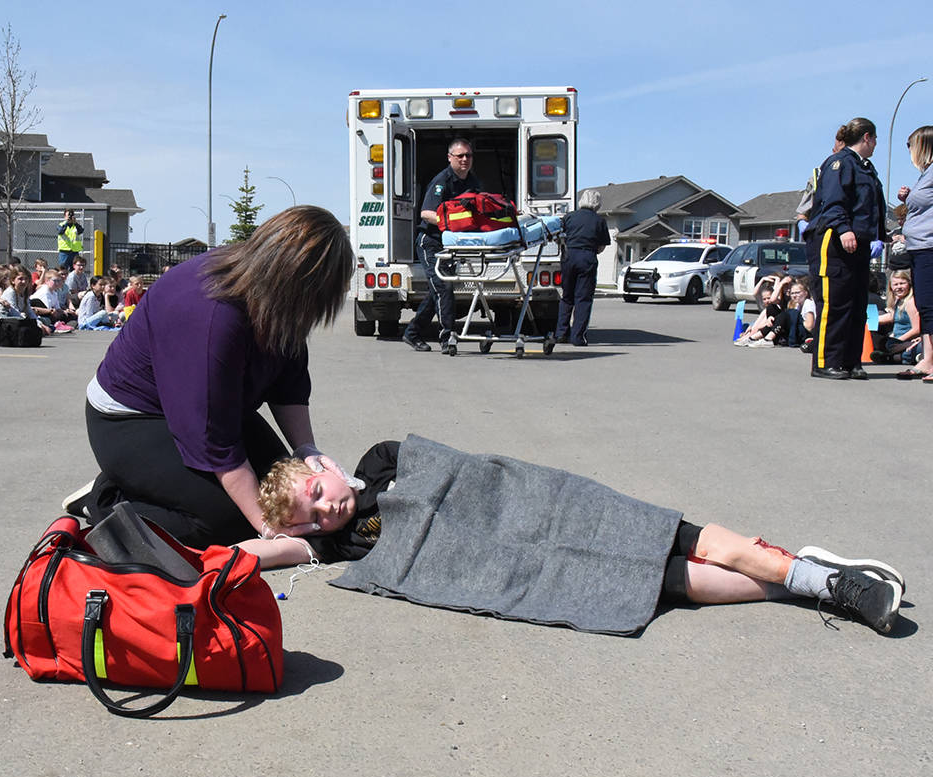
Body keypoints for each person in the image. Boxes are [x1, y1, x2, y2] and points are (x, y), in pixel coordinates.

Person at [247, 440, 906, 635]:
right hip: (518, 567)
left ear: (322, 468)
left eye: (313, 498)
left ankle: (825, 581)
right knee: (670, 585)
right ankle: (797, 583)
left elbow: (485, 478)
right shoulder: (337, 548)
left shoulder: (387, 460)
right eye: (306, 522)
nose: (320, 516)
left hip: (549, 511)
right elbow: (257, 550)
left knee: (675, 537)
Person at [71, 205, 355, 549]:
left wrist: (305, 450)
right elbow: (214, 442)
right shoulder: (210, 315)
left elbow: (289, 379)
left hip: (214, 409)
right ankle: (108, 498)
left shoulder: (277, 303)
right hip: (131, 419)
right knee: (230, 520)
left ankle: (154, 484)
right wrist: (265, 528)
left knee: (284, 494)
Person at [803, 118, 886, 380]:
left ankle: (849, 361)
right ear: (867, 137)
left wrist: (881, 236)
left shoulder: (866, 168)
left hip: (858, 243)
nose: (875, 145)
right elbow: (832, 201)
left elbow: (873, 207)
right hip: (834, 242)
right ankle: (826, 361)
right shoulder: (839, 163)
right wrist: (843, 228)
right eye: (874, 139)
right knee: (834, 303)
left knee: (857, 303)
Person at [403, 138, 481, 354]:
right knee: (444, 288)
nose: (465, 159)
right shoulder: (442, 182)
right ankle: (447, 337)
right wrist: (452, 222)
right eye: (460, 156)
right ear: (450, 158)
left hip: (452, 246)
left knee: (435, 291)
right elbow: (426, 213)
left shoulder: (473, 182)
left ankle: (412, 333)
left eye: (468, 155)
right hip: (430, 242)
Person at [895, 125, 933, 383]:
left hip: (930, 246)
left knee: (931, 305)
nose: (909, 152)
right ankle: (928, 359)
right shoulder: (926, 175)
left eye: (911, 146)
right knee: (926, 307)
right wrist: (908, 197)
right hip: (919, 247)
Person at [550, 188, 610, 350]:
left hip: (569, 257)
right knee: (583, 299)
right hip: (587, 257)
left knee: (567, 297)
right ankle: (578, 337)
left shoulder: (569, 217)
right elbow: (601, 247)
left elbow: (558, 237)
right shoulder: (599, 221)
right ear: (597, 204)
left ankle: (560, 333)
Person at [873, 270, 920, 366]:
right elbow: (892, 317)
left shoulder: (910, 302)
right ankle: (899, 356)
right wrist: (869, 320)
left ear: (909, 284)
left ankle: (901, 356)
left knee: (891, 345)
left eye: (902, 283)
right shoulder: (899, 301)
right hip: (897, 341)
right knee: (881, 340)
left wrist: (898, 340)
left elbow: (917, 329)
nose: (898, 287)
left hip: (906, 340)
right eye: (895, 284)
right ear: (891, 286)